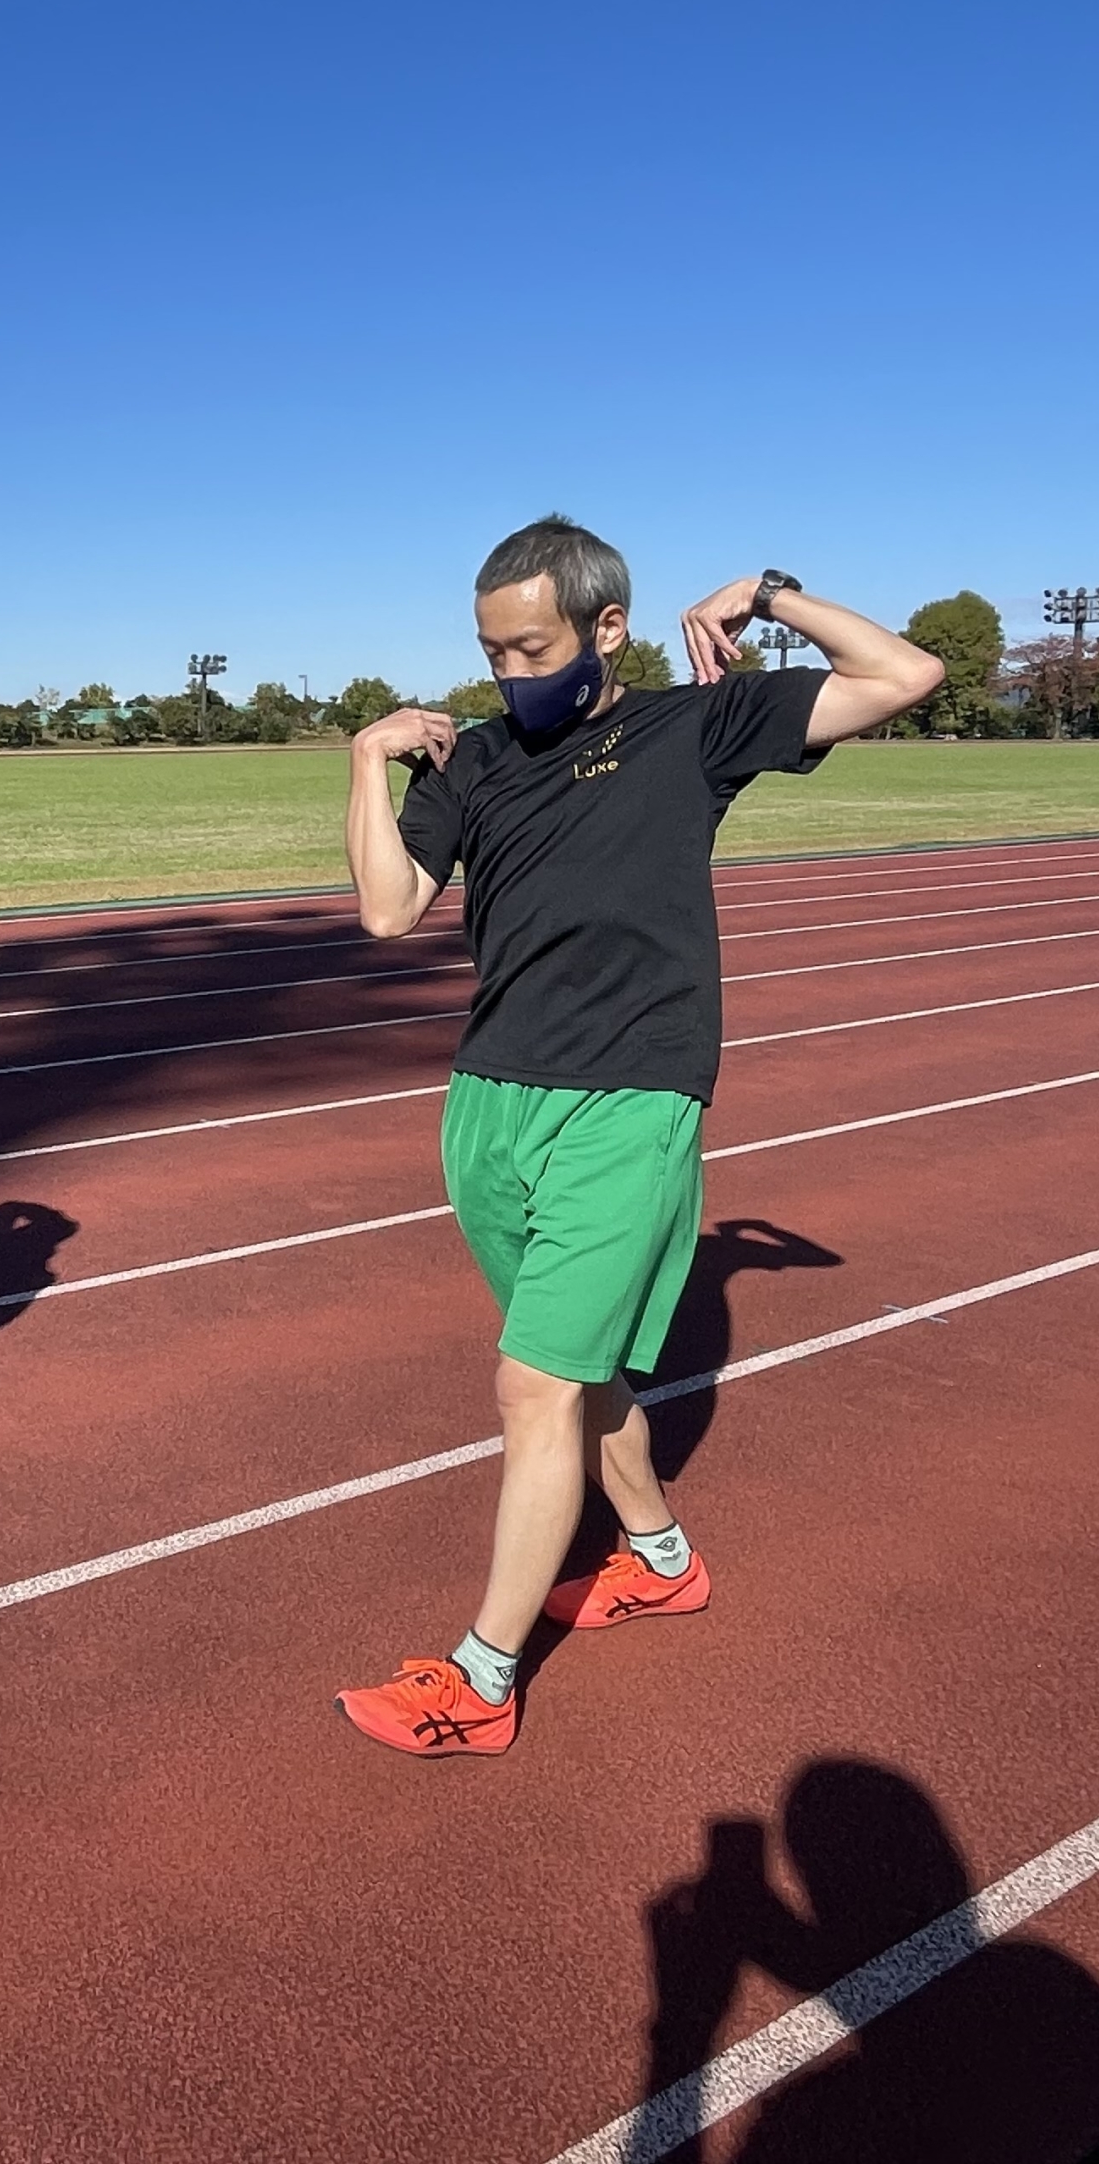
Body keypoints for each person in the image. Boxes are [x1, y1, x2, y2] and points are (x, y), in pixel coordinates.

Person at [332, 518, 941, 1755]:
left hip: (629, 1097)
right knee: (583, 1369)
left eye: (532, 648)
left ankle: (481, 1681)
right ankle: (659, 1560)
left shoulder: (692, 728)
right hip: (489, 1102)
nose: (510, 673)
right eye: (491, 652)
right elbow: (389, 912)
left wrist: (769, 592)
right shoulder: (476, 758)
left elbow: (903, 674)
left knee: (534, 1384)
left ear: (606, 627)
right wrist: (363, 762)